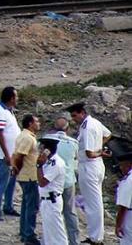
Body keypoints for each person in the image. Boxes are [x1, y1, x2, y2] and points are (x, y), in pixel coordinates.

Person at [68, 102, 112, 245]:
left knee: (93, 203)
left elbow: (89, 153)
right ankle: (95, 234)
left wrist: (99, 151)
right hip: (97, 166)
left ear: (82, 113)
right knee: (95, 201)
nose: (74, 119)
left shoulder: (87, 127)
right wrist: (100, 145)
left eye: (75, 115)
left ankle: (96, 237)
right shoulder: (95, 122)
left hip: (89, 166)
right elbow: (108, 134)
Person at [0, 86, 20, 221]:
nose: (17, 99)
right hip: (4, 155)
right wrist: (6, 155)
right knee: (2, 182)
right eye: (16, 96)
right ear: (11, 98)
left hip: (13, 154)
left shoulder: (8, 111)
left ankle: (8, 206)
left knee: (11, 182)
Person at [14, 114, 42, 245]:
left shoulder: (23, 135)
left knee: (26, 205)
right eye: (36, 121)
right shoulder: (28, 138)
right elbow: (19, 156)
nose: (39, 123)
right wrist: (17, 169)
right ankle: (29, 235)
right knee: (32, 206)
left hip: (25, 175)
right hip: (29, 175)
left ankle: (24, 231)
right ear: (30, 123)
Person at [54, 117, 80, 245]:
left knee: (54, 212)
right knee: (70, 212)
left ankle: (56, 239)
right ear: (67, 128)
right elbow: (76, 160)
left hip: (52, 182)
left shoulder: (48, 140)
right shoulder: (73, 142)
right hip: (68, 181)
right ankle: (74, 240)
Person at [38, 135, 69, 245]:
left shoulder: (56, 163)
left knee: (57, 231)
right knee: (48, 232)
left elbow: (42, 182)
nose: (40, 151)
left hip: (52, 200)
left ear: (47, 150)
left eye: (41, 148)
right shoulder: (48, 161)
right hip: (46, 200)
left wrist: (39, 165)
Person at [115, 148, 132, 244]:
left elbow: (123, 205)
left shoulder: (128, 180)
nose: (121, 168)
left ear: (129, 165)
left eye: (122, 165)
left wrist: (118, 225)